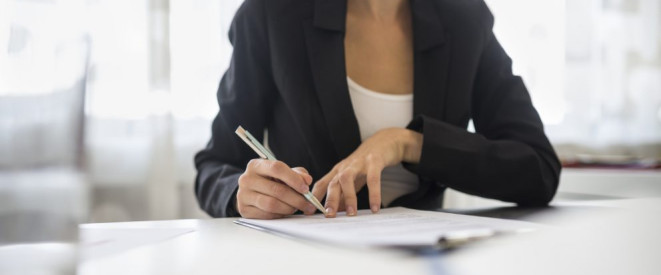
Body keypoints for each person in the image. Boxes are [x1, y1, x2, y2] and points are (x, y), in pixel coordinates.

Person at [194, 0, 561, 219]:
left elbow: (538, 169)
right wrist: (240, 194)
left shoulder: (463, 18)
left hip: (425, 260)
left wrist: (406, 143)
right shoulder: (273, 13)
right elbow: (215, 165)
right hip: (305, 262)